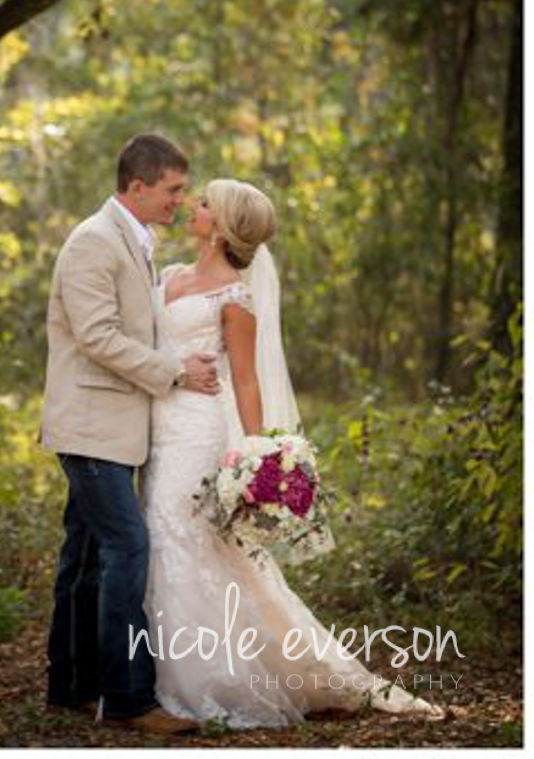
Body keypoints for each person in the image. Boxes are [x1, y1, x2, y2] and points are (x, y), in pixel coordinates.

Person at [139, 178, 443, 727]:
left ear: (223, 224)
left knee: (176, 535)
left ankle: (196, 678)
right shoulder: (167, 275)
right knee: (159, 535)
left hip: (197, 432)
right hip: (155, 423)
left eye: (204, 202)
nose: (193, 206)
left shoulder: (235, 295)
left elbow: (248, 382)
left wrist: (256, 457)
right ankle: (147, 668)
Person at [40, 133, 219, 735]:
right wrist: (175, 373)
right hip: (92, 427)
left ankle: (69, 682)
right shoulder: (94, 241)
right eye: (171, 190)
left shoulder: (134, 242)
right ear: (138, 186)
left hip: (114, 426)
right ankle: (126, 698)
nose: (179, 201)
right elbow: (97, 336)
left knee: (86, 555)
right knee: (128, 548)